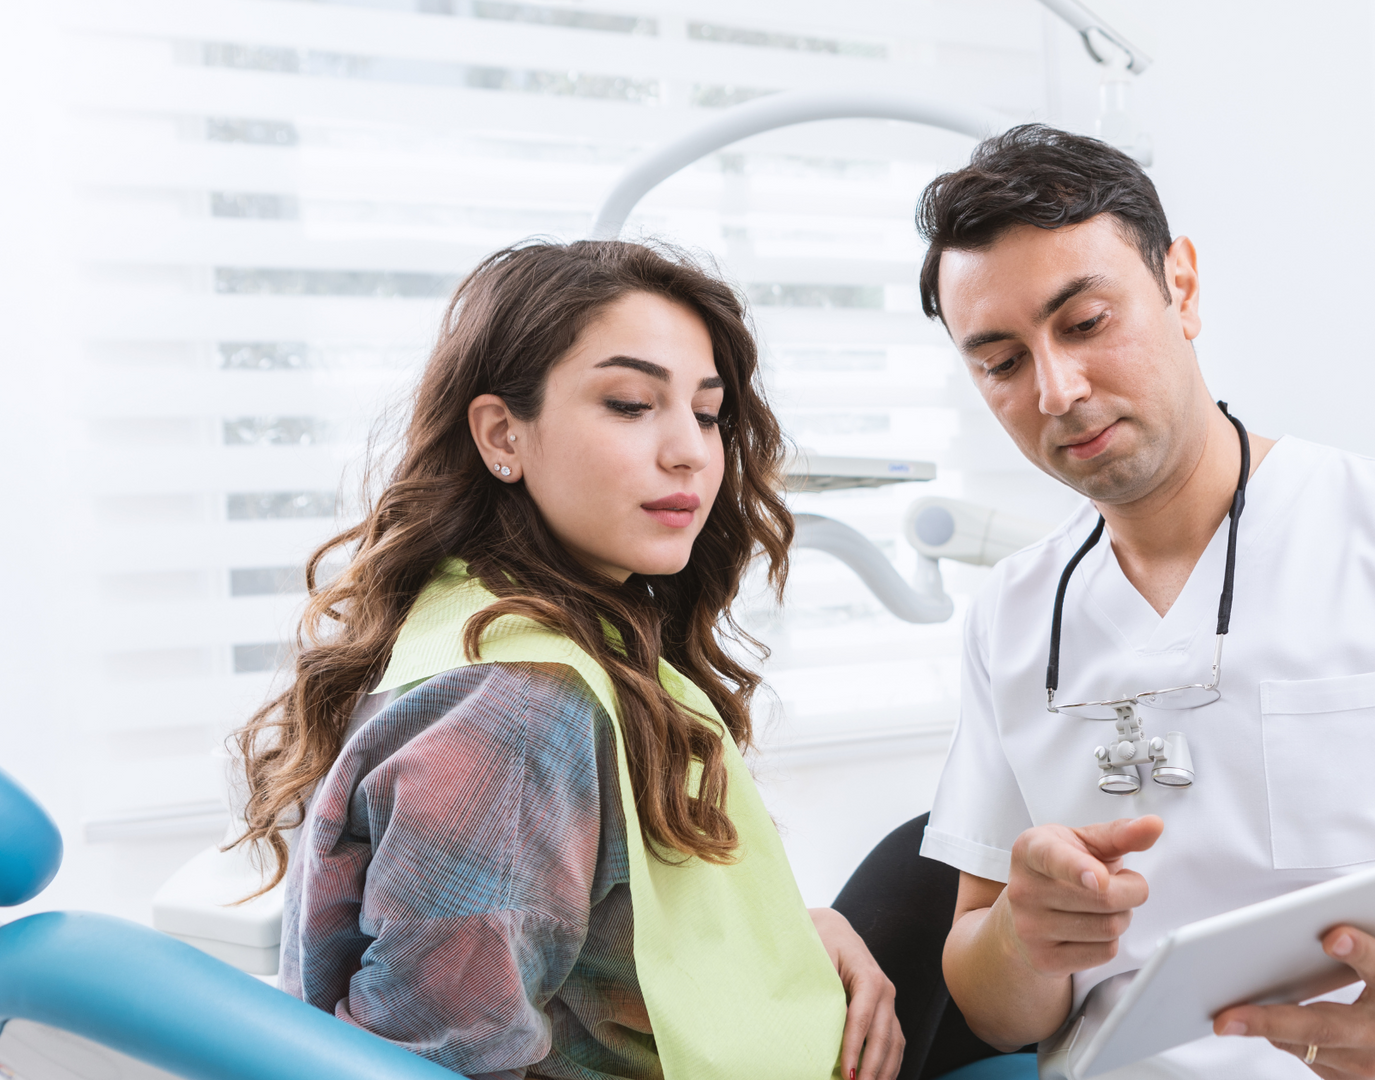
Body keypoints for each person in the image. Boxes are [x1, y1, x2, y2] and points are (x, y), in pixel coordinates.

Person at [913, 126, 1375, 1078]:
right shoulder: (1011, 618)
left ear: (1180, 287)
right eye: (1002, 362)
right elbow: (989, 1008)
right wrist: (1024, 940)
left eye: (1085, 322)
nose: (1058, 389)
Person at [232, 239, 905, 1080]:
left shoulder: (500, 620)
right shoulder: (519, 707)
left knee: (924, 870)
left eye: (705, 412)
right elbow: (442, 1058)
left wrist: (796, 937)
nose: (690, 450)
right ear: (502, 434)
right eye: (629, 403)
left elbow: (592, 933)